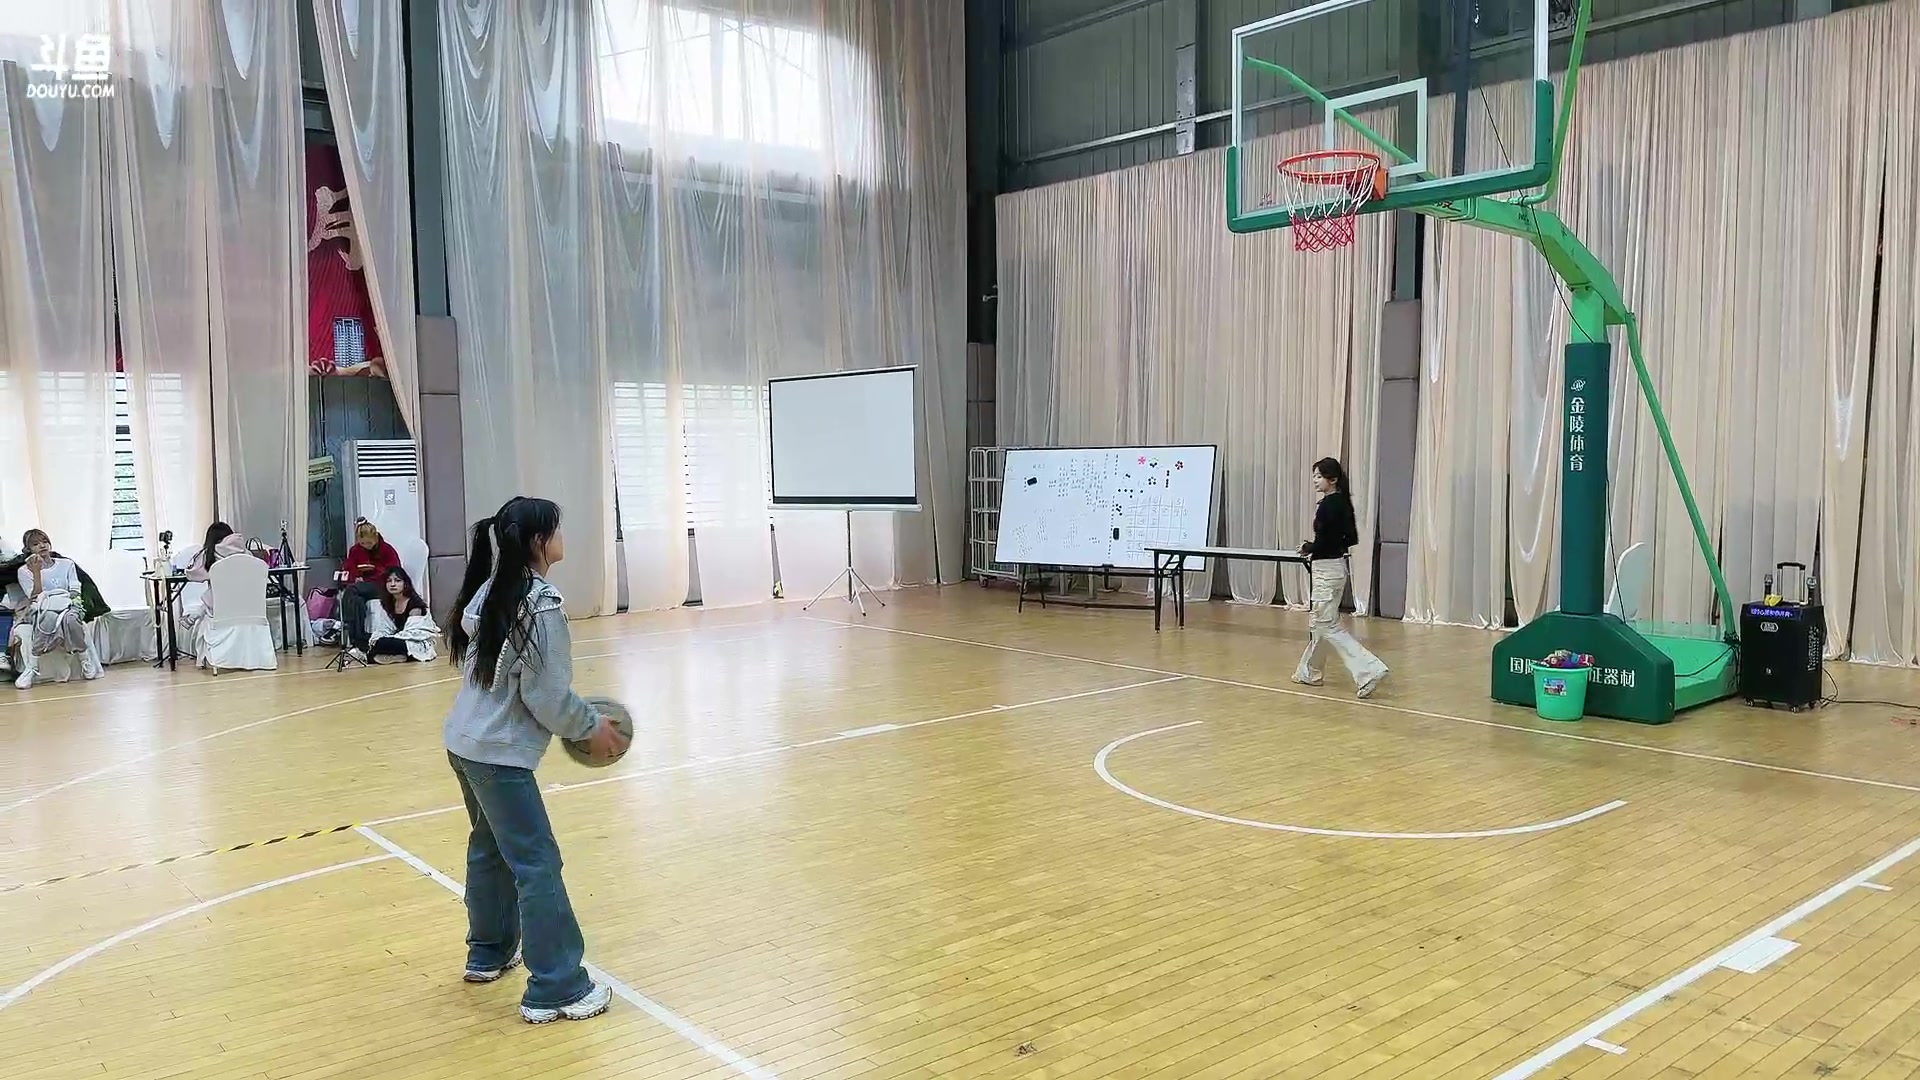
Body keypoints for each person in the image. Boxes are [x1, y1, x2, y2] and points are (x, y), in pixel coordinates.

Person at [442, 495, 627, 1023]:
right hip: (496, 756)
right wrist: (592, 728)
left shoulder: (492, 589)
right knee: (537, 862)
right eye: (557, 530)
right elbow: (546, 697)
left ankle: (489, 952)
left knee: (490, 847)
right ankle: (557, 987)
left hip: (462, 742)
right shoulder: (541, 605)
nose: (563, 537)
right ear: (539, 541)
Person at [1293, 457, 1389, 698]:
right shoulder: (1344, 503)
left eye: (1319, 476)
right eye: (1314, 476)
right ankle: (1309, 672)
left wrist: (1309, 547)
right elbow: (1350, 538)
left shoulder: (1328, 506)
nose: (1315, 481)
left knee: (1327, 625)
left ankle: (1369, 670)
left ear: (1332, 479)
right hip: (1338, 569)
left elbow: (1324, 541)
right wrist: (1327, 546)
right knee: (1320, 623)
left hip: (1326, 572)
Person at [10, 529, 105, 689]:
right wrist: (36, 572)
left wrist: (70, 603)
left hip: (68, 603)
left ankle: (85, 661)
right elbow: (35, 596)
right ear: (28, 549)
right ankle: (32, 668)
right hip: (43, 606)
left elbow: (75, 589)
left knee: (71, 620)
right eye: (35, 544)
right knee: (48, 619)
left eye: (44, 541)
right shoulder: (24, 571)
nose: (42, 546)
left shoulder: (67, 564)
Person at [339, 519, 402, 661]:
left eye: (369, 543)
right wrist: (356, 576)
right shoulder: (355, 551)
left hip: (381, 585)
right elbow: (349, 568)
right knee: (356, 600)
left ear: (375, 537)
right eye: (362, 543)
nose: (366, 546)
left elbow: (394, 571)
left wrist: (375, 570)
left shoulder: (387, 550)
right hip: (362, 586)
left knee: (351, 591)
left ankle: (355, 639)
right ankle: (360, 641)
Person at [366, 566, 437, 663]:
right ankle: (397, 657)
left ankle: (396, 656)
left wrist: (390, 639)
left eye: (397, 581)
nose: (393, 584)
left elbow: (413, 633)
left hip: (413, 641)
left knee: (386, 644)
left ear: (405, 584)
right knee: (375, 644)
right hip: (395, 637)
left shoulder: (414, 605)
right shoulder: (387, 604)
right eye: (389, 581)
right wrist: (378, 638)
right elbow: (384, 628)